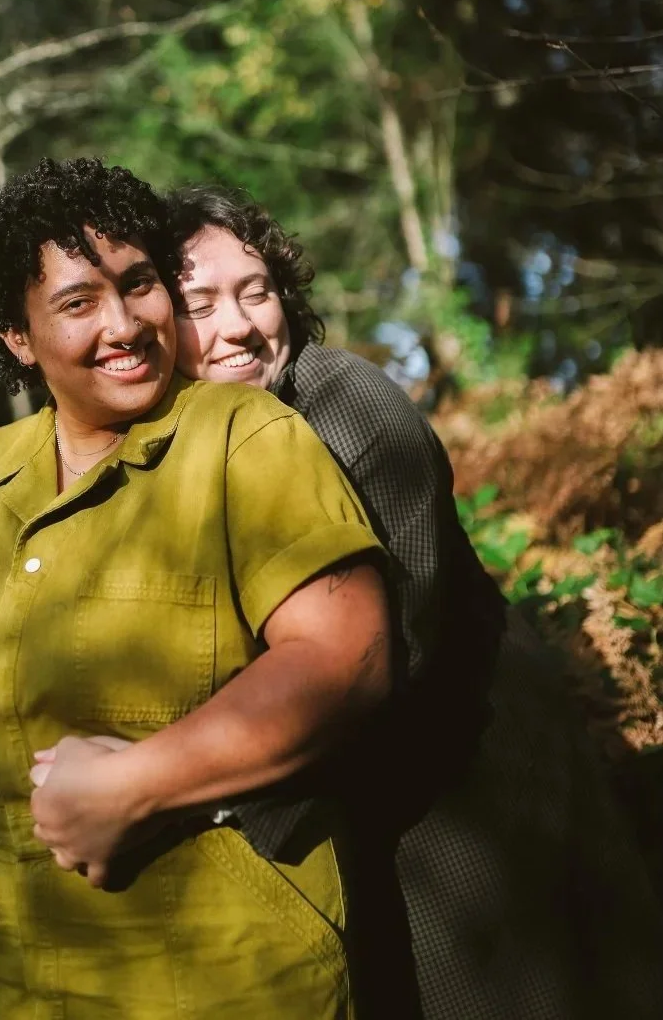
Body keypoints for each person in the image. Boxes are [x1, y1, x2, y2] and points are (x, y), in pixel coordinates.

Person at [0, 157, 403, 1020]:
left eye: (140, 284)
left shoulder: (244, 436)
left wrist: (142, 781)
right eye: (79, 302)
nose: (125, 324)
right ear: (17, 336)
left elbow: (348, 657)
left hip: (213, 978)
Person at [166, 184, 663, 1020]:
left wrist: (179, 798)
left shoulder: (346, 406)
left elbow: (386, 648)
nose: (240, 325)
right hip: (352, 791)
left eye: (255, 291)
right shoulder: (185, 440)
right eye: (200, 304)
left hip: (468, 787)